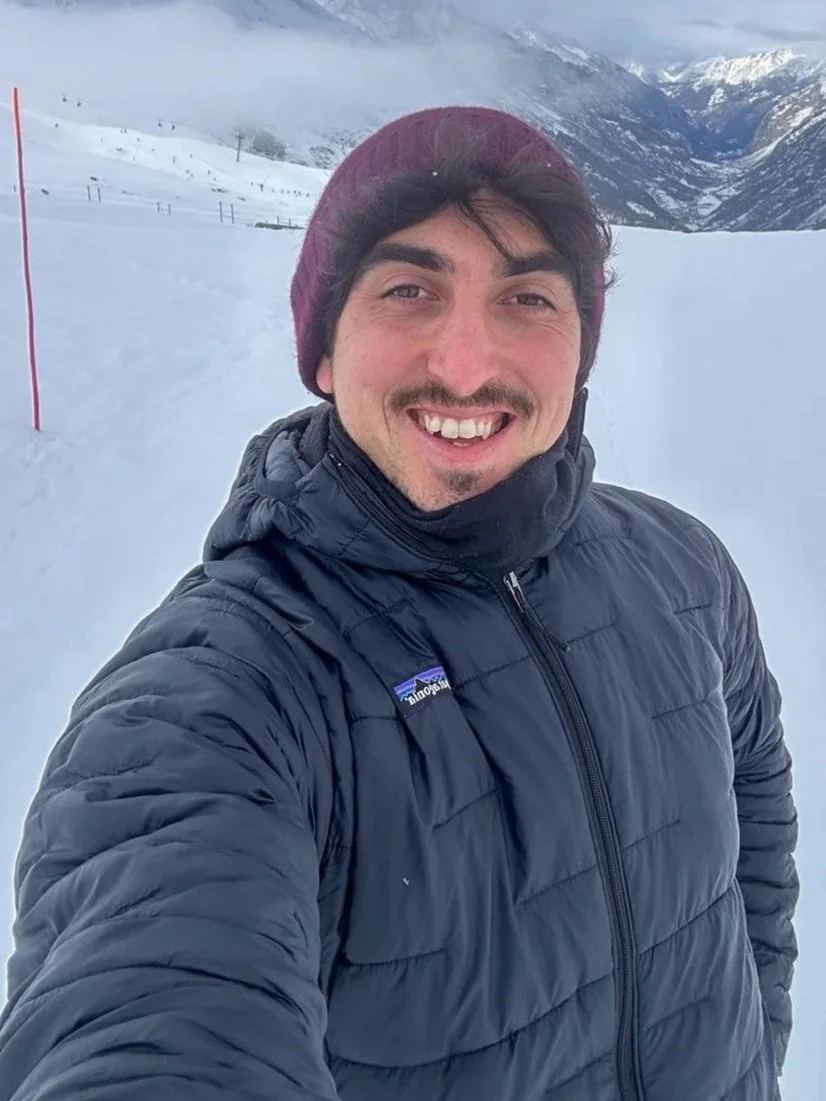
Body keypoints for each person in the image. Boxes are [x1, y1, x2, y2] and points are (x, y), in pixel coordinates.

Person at [0, 106, 799, 1101]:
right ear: (325, 351)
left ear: (580, 350)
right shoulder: (221, 696)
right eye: (408, 290)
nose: (465, 365)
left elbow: (753, 852)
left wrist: (752, 1053)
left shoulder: (683, 571)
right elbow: (146, 1007)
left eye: (527, 299)